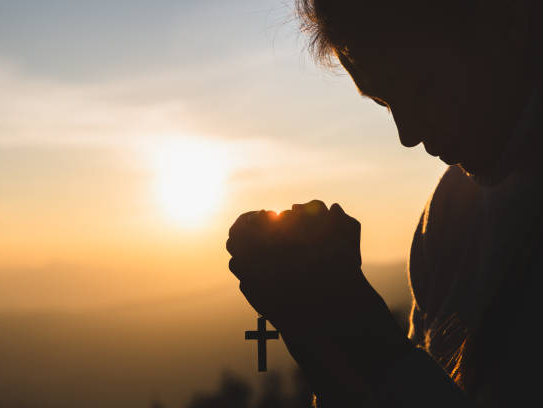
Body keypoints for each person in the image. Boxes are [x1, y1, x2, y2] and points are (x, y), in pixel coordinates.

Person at [226, 1, 543, 406]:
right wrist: (315, 337)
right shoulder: (450, 211)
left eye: (422, 86)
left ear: (507, 21)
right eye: (385, 103)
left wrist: (369, 341)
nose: (407, 134)